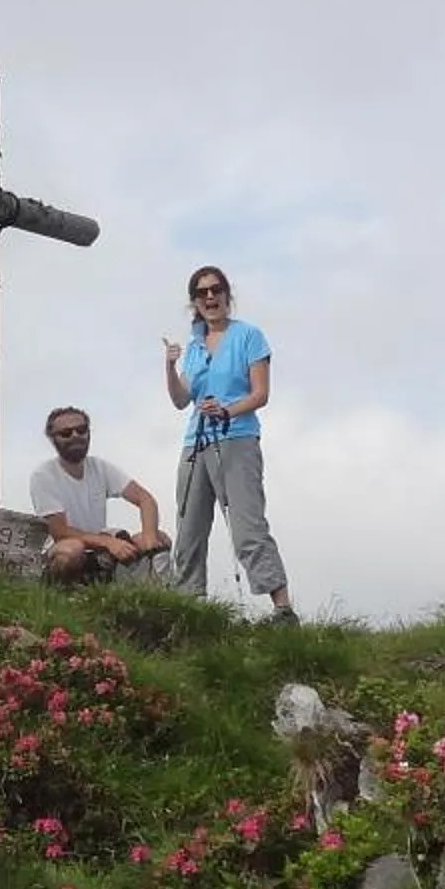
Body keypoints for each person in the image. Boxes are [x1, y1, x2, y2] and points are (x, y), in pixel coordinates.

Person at [163, 264, 297, 621]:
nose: (210, 297)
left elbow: (260, 394)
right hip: (196, 440)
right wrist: (169, 367)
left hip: (237, 438)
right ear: (194, 301)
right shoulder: (193, 347)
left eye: (215, 289)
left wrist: (226, 410)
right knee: (189, 526)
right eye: (202, 292)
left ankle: (282, 609)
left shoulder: (249, 336)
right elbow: (181, 400)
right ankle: (189, 610)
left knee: (247, 525)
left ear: (227, 295)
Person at [28, 405, 168, 583]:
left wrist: (150, 536)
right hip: (63, 546)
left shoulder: (99, 467)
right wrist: (108, 543)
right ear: (52, 439)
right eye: (66, 433)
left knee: (160, 538)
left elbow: (144, 498)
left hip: (100, 544)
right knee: (72, 551)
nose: (75, 436)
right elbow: (60, 532)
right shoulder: (44, 475)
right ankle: (59, 593)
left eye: (81, 430)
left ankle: (159, 597)